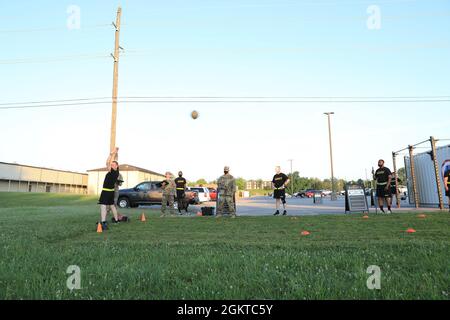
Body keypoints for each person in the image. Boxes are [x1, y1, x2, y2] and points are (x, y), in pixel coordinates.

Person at [98, 147, 120, 230]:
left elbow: (107, 162)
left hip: (106, 191)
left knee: (103, 206)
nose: (112, 165)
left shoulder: (113, 171)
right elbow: (110, 162)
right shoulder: (116, 171)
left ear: (116, 166)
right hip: (111, 191)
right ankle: (116, 220)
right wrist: (114, 154)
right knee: (112, 206)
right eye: (112, 164)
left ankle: (103, 222)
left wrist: (112, 154)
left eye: (113, 164)